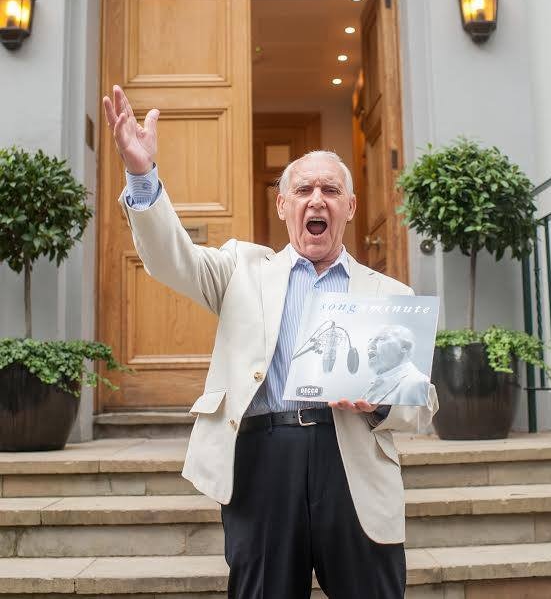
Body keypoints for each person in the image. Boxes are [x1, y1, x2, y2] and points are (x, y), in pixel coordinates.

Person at [102, 85, 438, 599]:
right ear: (283, 205)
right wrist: (143, 177)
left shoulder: (388, 293)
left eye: (329, 190)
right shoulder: (242, 269)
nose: (316, 200)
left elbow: (423, 404)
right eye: (303, 191)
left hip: (350, 459)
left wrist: (384, 401)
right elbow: (172, 259)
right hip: (262, 456)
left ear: (350, 205)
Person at [362, 325, 431, 406]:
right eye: (369, 340)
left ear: (405, 347)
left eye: (381, 339)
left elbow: (416, 417)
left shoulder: (417, 383)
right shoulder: (375, 383)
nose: (370, 346)